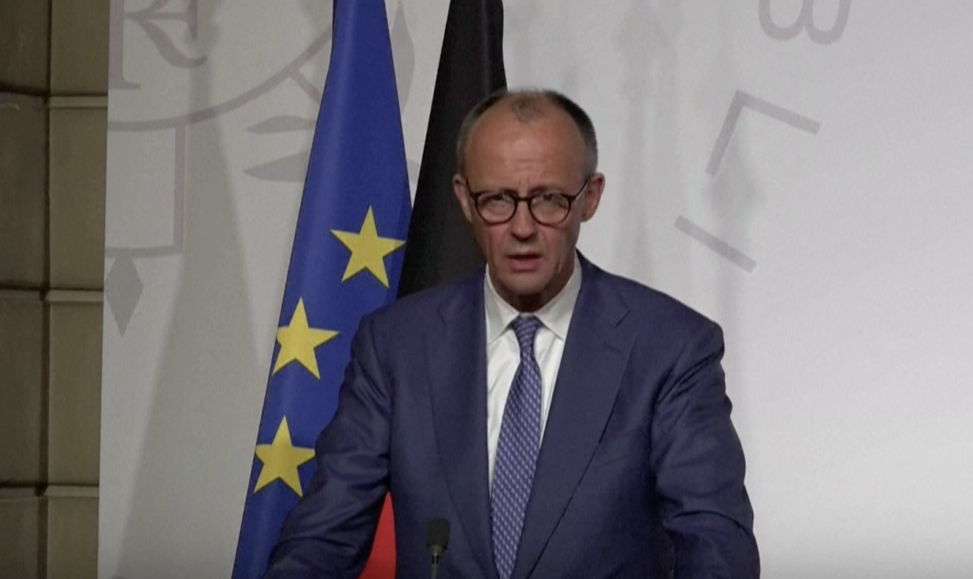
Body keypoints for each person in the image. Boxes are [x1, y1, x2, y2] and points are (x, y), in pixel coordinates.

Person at [265, 89, 759, 578]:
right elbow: (323, 539)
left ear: (589, 198)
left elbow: (715, 544)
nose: (523, 228)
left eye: (549, 199)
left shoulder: (669, 348)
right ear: (464, 199)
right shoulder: (395, 346)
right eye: (498, 200)